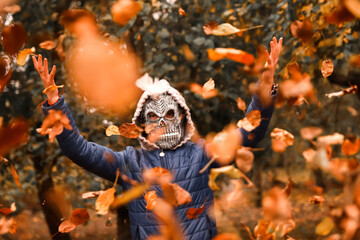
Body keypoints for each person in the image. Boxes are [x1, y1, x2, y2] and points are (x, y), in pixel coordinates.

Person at [33, 37, 282, 240]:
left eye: (170, 113)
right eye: (153, 115)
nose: (162, 121)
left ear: (183, 118)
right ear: (142, 123)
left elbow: (249, 133)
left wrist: (265, 88)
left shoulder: (201, 153)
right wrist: (54, 102)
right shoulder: (130, 163)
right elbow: (80, 150)